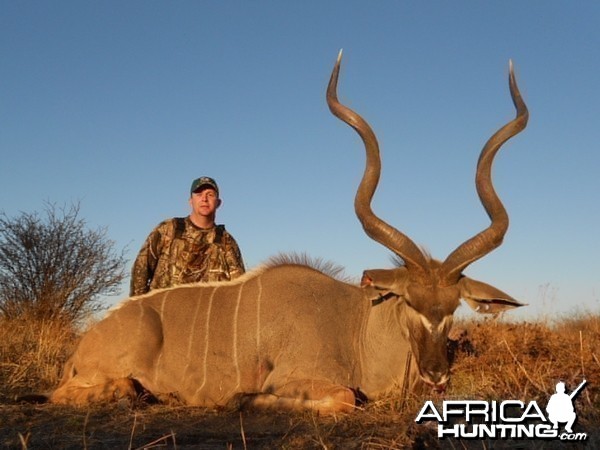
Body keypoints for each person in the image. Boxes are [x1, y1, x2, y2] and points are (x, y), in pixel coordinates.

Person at [130, 176, 245, 296]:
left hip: (207, 313)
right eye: (199, 194)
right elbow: (141, 268)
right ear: (190, 201)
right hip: (162, 312)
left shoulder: (226, 242)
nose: (204, 199)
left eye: (210, 194)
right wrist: (138, 308)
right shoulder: (168, 229)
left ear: (218, 202)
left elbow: (238, 288)